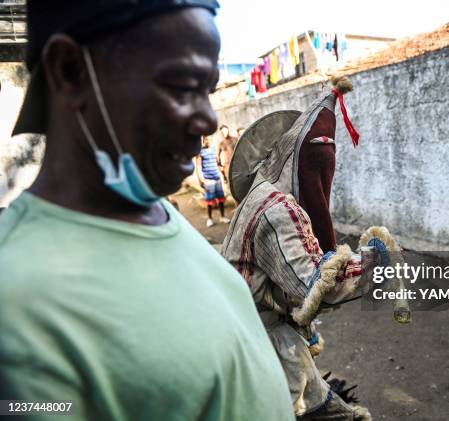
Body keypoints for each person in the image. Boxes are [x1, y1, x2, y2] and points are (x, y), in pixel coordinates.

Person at [0, 2, 295, 420]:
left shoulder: (158, 214)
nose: (209, 120)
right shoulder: (15, 302)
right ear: (69, 71)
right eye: (180, 86)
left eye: (207, 89)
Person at [222, 77, 386, 420]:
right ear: (292, 158)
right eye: (314, 162)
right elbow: (315, 285)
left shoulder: (260, 197)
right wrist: (379, 262)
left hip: (257, 334)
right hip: (264, 346)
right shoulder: (276, 209)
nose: (322, 175)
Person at [196, 135, 229, 227]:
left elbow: (218, 164)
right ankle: (210, 219)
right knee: (210, 200)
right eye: (206, 140)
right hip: (208, 179)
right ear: (203, 141)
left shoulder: (214, 149)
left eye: (210, 139)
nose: (208, 141)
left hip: (217, 178)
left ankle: (222, 217)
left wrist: (223, 176)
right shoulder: (200, 151)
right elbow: (198, 166)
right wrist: (201, 180)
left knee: (221, 198)